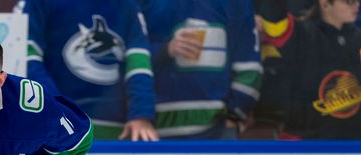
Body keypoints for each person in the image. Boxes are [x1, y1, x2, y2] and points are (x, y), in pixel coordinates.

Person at [18, 0, 159, 141]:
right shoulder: (39, 3)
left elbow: (139, 64)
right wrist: (55, 107)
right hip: (58, 128)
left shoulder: (127, 5)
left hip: (115, 131)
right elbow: (28, 58)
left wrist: (141, 114)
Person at [139, 0, 263, 139]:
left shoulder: (235, 3)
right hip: (152, 130)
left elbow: (249, 66)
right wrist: (165, 50)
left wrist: (233, 116)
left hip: (218, 131)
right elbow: (126, 57)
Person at [258, 0, 361, 139]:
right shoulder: (300, 34)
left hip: (354, 142)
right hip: (305, 142)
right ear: (325, 4)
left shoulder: (358, 39)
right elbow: (274, 18)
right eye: (349, 1)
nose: (356, 5)